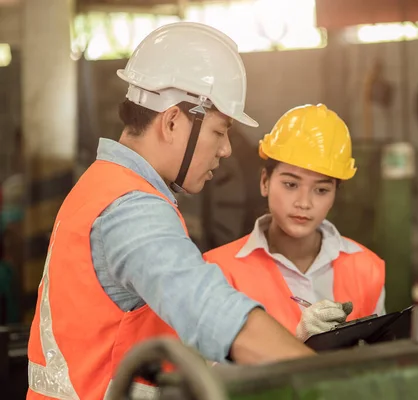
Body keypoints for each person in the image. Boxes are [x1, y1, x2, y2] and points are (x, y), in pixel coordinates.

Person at [25, 22, 314, 400]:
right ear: (173, 121)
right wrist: (329, 380)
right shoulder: (129, 209)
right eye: (219, 130)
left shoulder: (102, 184)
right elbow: (209, 312)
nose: (226, 149)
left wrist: (290, 339)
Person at [204, 104, 386, 342]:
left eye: (321, 190)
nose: (304, 202)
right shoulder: (218, 272)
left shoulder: (366, 268)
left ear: (335, 195)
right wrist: (298, 343)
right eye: (291, 184)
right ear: (265, 182)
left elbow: (376, 364)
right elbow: (209, 374)